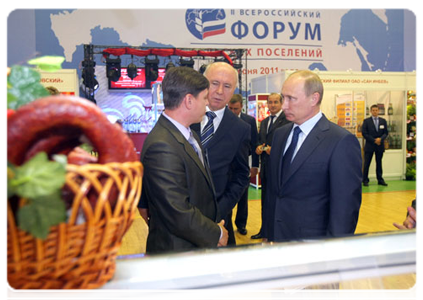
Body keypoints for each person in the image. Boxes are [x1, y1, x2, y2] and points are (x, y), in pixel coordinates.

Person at [263, 70, 362, 242]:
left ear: (314, 98)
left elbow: (344, 208)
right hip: (278, 240)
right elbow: (275, 192)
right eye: (283, 98)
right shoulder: (280, 135)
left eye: (291, 98)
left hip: (314, 244)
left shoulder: (340, 141)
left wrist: (334, 250)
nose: (284, 106)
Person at [139, 66, 228, 254]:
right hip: (177, 252)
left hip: (194, 247)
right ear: (188, 100)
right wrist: (216, 232)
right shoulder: (162, 145)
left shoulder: (189, 134)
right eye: (204, 98)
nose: (207, 104)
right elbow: (176, 211)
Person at [191, 62, 250, 246]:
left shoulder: (241, 129)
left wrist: (220, 209)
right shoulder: (185, 117)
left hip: (221, 221)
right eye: (214, 83)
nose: (219, 91)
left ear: (234, 90)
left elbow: (241, 175)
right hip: (183, 218)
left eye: (227, 86)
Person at [251, 93, 291, 240]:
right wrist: (258, 147)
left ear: (281, 103)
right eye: (270, 102)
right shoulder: (265, 121)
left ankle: (275, 232)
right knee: (265, 201)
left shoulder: (287, 121)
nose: (272, 105)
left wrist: (274, 150)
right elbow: (261, 140)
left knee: (276, 202)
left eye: (275, 102)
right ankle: (265, 230)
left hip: (279, 169)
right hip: (266, 169)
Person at [228, 94, 259, 236]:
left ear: (241, 106)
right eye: (230, 108)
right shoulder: (223, 120)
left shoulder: (249, 121)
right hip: (226, 165)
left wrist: (255, 165)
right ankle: (225, 223)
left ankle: (241, 224)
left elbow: (254, 144)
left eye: (236, 108)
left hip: (243, 165)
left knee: (243, 196)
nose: (233, 111)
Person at [362, 104, 389, 186]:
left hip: (380, 145)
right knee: (367, 163)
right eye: (373, 110)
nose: (375, 112)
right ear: (370, 111)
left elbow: (386, 133)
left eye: (376, 110)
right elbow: (364, 133)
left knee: (379, 163)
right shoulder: (366, 121)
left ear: (378, 111)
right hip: (370, 145)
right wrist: (374, 140)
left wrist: (381, 139)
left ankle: (380, 180)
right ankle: (365, 180)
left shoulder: (383, 121)